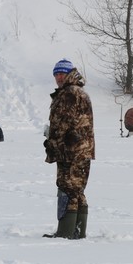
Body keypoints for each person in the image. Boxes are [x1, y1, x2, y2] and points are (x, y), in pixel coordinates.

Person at [44, 59, 95, 240]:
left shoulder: (68, 94)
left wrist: (52, 143)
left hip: (70, 150)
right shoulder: (81, 92)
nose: (58, 77)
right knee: (78, 190)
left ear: (69, 74)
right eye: (56, 74)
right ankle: (78, 231)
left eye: (61, 73)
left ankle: (65, 233)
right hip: (83, 149)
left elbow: (61, 124)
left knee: (67, 188)